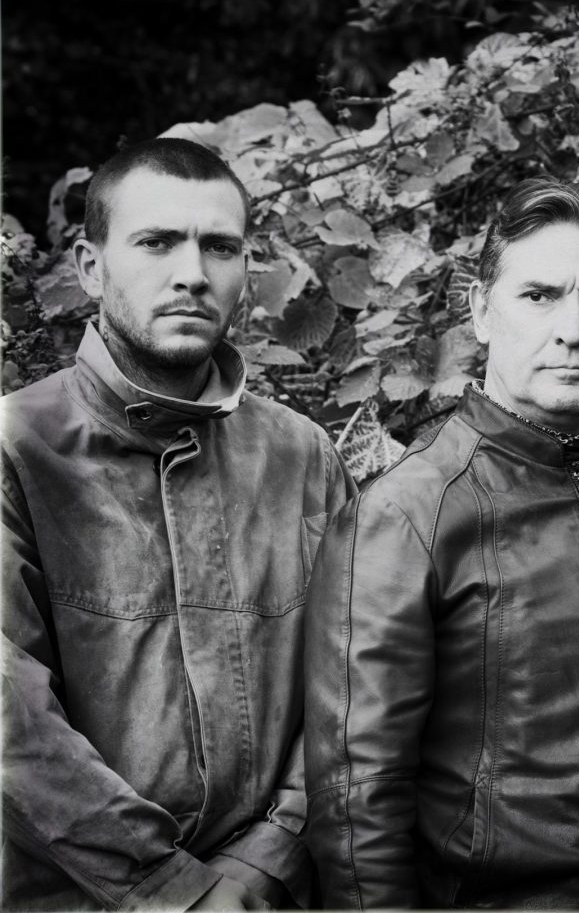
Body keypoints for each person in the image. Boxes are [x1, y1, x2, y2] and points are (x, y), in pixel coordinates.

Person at [304, 179, 579, 909]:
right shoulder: (405, 518)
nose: (573, 329)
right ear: (482, 311)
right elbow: (358, 801)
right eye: (539, 296)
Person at [1, 137, 353, 910]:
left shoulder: (302, 456)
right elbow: (12, 729)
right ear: (91, 268)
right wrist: (171, 891)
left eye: (219, 247)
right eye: (156, 242)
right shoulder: (16, 449)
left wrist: (266, 863)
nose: (192, 273)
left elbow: (355, 686)